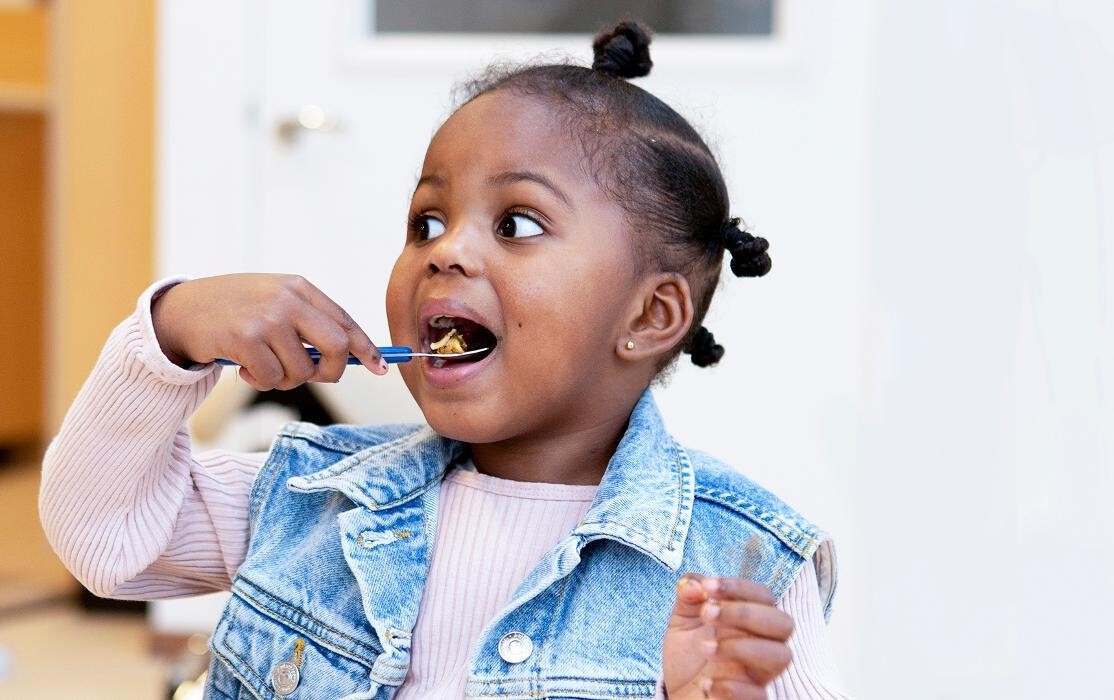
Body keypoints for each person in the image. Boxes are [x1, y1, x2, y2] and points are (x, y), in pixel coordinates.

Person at [40, 20, 849, 700]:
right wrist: (171, 331)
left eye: (517, 224)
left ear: (648, 315)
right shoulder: (311, 498)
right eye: (426, 222)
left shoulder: (738, 576)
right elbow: (102, 533)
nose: (446, 251)